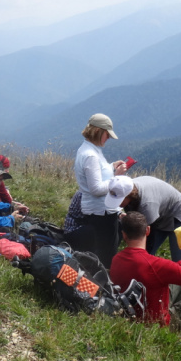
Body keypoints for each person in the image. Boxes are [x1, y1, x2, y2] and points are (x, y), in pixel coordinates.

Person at [110, 211, 181, 345]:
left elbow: (151, 272)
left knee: (178, 276)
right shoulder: (156, 265)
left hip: (133, 319)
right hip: (159, 328)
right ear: (147, 230)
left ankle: (180, 336)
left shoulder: (116, 259)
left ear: (124, 235)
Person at [116, 175, 181, 307]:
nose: (116, 204)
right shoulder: (127, 187)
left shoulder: (147, 205)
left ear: (128, 196)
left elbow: (142, 234)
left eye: (118, 200)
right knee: (144, 258)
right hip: (161, 217)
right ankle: (145, 297)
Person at [65, 113, 127, 268]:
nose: (109, 138)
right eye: (107, 134)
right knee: (107, 254)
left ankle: (100, 281)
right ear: (99, 131)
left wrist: (111, 167)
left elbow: (96, 175)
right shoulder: (91, 155)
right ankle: (105, 283)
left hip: (99, 211)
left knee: (102, 250)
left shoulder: (89, 149)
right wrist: (116, 178)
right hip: (102, 212)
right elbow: (96, 189)